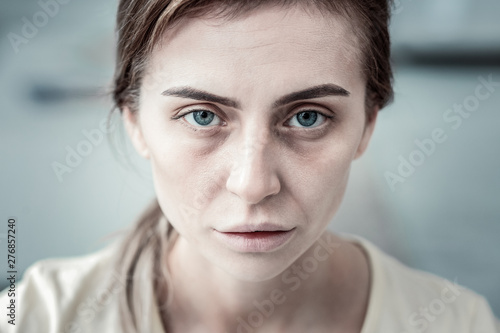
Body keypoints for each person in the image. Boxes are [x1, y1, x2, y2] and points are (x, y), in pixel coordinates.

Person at [1, 0, 499, 332]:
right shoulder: (32, 318)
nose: (253, 184)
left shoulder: (458, 323)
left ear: (367, 124)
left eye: (308, 117)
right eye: (202, 116)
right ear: (134, 122)